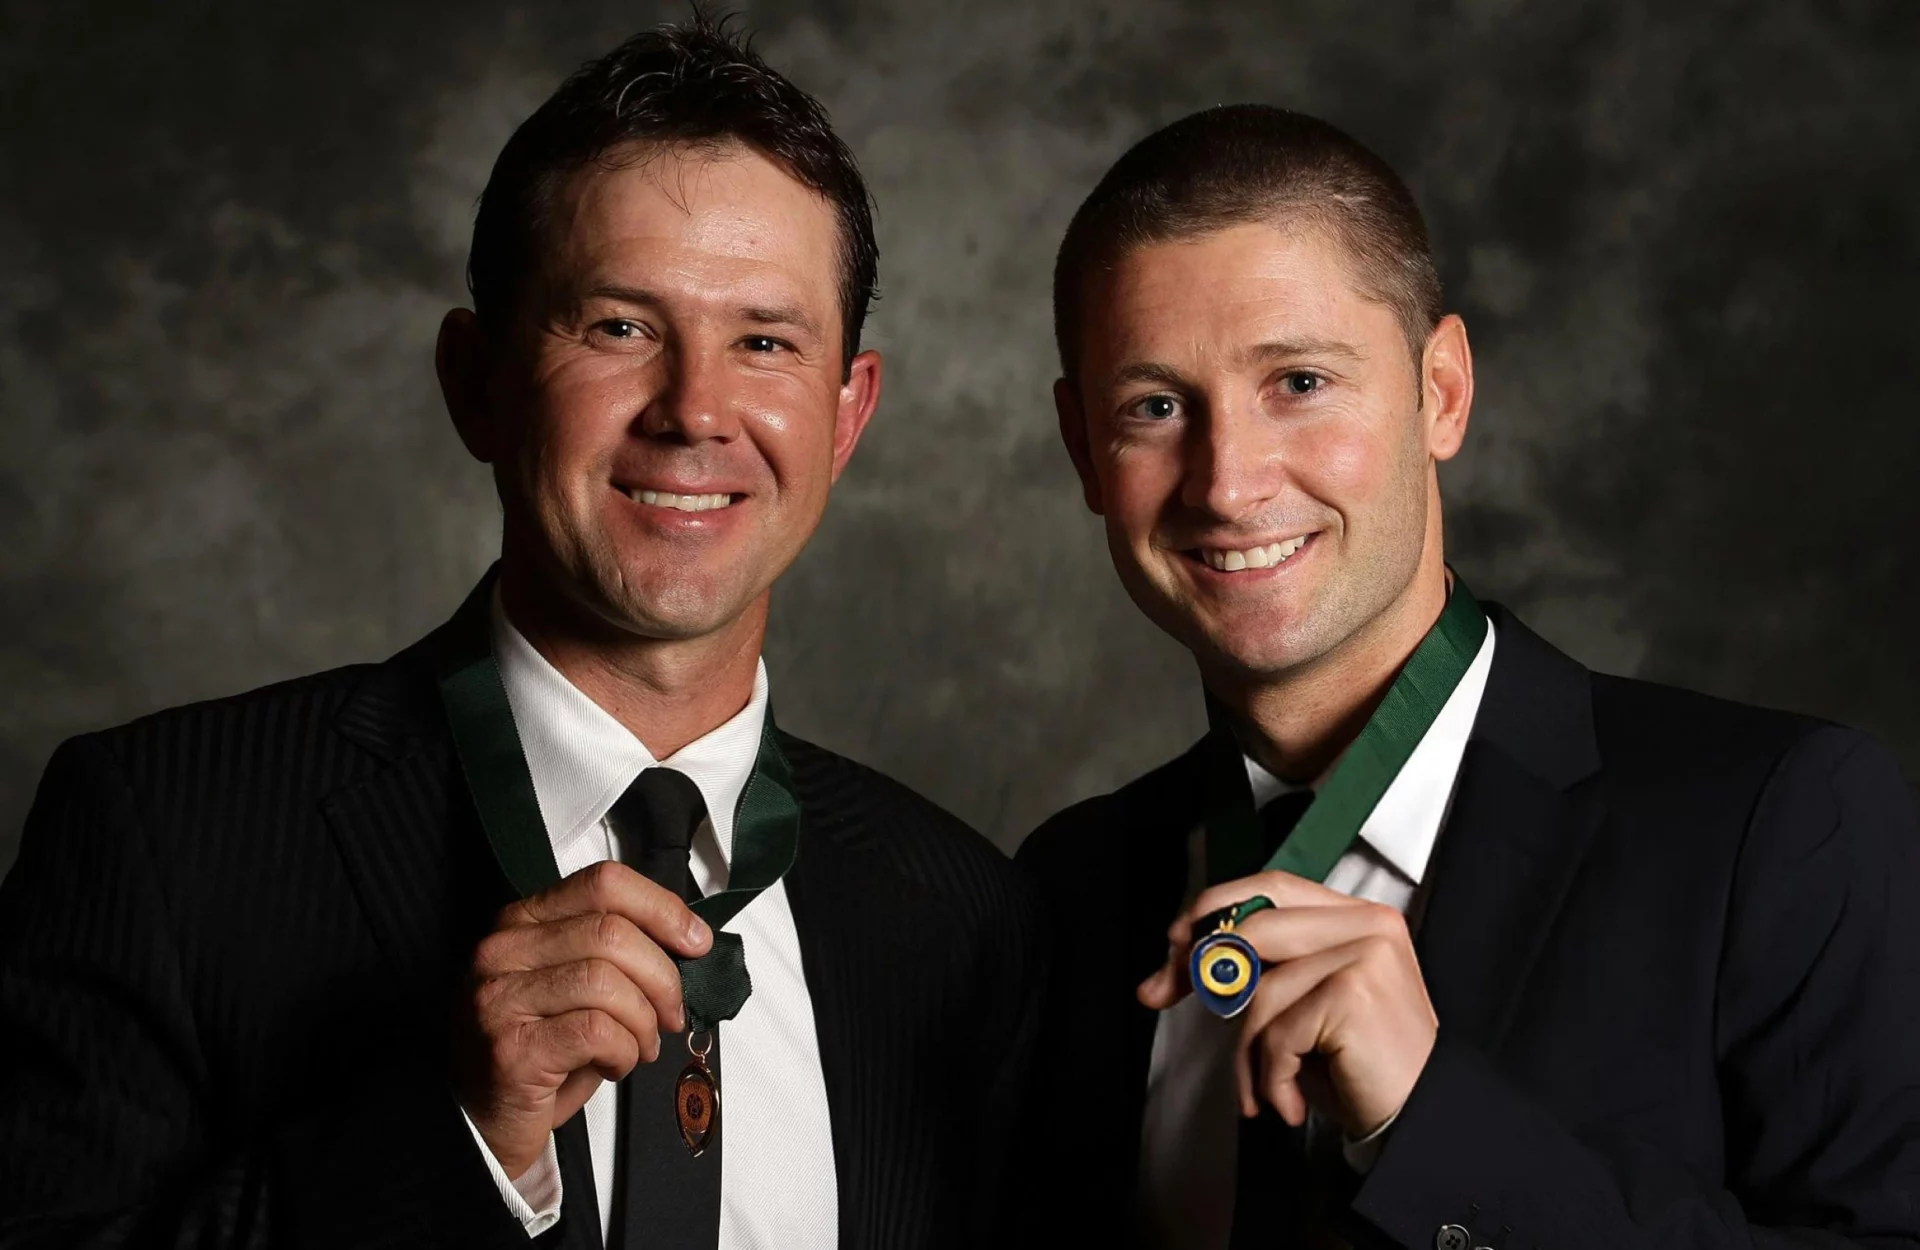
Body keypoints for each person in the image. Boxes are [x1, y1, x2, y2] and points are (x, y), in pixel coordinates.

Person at [0, 17, 1042, 1250]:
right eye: (617, 327)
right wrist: (457, 1133)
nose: (695, 409)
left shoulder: (960, 914)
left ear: (847, 412)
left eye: (765, 340)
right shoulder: (162, 831)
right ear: (477, 381)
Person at [1016, 103, 1920, 1250]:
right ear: (1084, 449)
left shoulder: (1776, 824)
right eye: (1154, 406)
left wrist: (1433, 1126)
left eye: (1298, 381)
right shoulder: (1066, 891)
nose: (1229, 483)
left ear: (1441, 391)